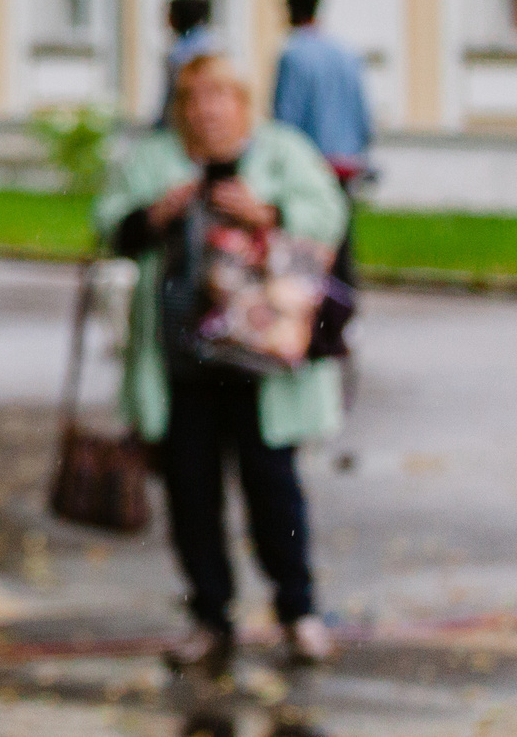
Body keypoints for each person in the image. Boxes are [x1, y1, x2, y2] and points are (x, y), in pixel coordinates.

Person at [95, 54, 346, 674]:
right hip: (180, 365)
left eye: (218, 96)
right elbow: (110, 228)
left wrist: (267, 214)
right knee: (190, 494)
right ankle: (210, 615)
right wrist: (157, 213)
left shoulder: (284, 153)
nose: (205, 110)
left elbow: (329, 221)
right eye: (192, 98)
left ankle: (298, 610)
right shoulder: (154, 160)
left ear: (242, 102)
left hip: (264, 366)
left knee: (275, 494)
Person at [272, 0, 372, 175]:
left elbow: (286, 115)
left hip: (309, 160)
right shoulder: (346, 51)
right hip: (348, 158)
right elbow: (362, 108)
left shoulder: (293, 55)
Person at [156, 0, 221, 129]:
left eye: (170, 14)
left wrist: (160, 127)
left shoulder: (181, 53)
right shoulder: (213, 43)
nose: (167, 21)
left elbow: (173, 96)